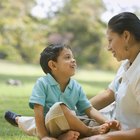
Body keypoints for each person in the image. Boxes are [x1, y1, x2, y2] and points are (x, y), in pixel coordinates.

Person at [4, 44, 120, 140]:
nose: (73, 60)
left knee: (92, 123)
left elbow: (89, 110)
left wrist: (108, 122)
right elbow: (38, 112)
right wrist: (44, 137)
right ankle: (88, 132)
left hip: (69, 124)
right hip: (50, 123)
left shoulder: (76, 86)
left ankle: (63, 137)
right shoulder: (42, 83)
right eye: (67, 57)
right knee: (57, 108)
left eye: (73, 57)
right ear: (53, 65)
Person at [89, 12, 140, 140]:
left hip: (125, 134)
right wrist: (79, 108)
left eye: (110, 40)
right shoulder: (127, 63)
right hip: (111, 123)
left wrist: (109, 137)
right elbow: (109, 94)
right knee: (62, 118)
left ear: (126, 36)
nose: (108, 47)